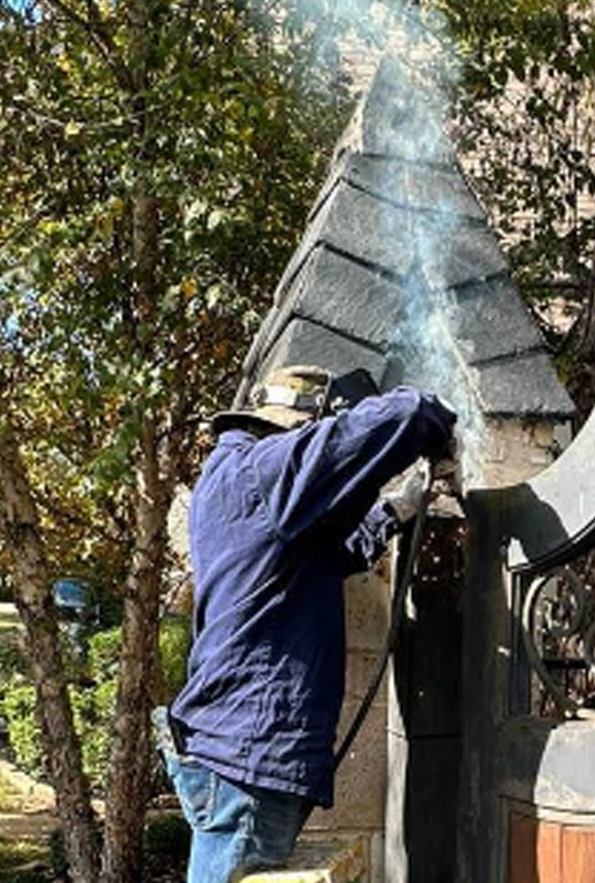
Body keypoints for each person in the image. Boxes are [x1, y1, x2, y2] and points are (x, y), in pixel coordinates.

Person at [154, 365, 456, 883]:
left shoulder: (235, 483)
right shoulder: (267, 470)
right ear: (301, 431)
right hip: (246, 759)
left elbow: (322, 559)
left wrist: (396, 511)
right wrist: (437, 420)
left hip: (234, 754)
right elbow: (403, 415)